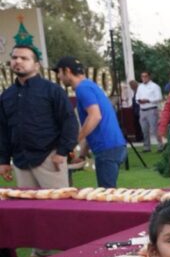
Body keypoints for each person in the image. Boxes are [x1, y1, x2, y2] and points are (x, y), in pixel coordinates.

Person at [0, 45, 78, 191]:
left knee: (57, 208)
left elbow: (69, 122)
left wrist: (62, 152)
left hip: (50, 159)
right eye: (14, 57)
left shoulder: (52, 90)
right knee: (28, 210)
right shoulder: (6, 96)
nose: (18, 61)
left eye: (24, 58)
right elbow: (3, 131)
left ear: (36, 65)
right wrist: (3, 160)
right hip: (21, 162)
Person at [55, 56, 128, 188]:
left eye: (59, 72)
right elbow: (93, 125)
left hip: (107, 149)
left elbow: (95, 117)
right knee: (108, 193)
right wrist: (82, 154)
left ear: (67, 71)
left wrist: (74, 141)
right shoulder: (89, 86)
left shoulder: (83, 88)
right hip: (113, 147)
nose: (59, 76)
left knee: (107, 197)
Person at [136, 70, 164, 152]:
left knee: (154, 129)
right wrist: (139, 100)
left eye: (145, 76)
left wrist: (148, 100)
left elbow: (159, 98)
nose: (143, 78)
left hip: (151, 109)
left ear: (149, 77)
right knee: (144, 129)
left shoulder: (155, 86)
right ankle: (146, 147)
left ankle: (160, 145)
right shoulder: (140, 86)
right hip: (142, 109)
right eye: (142, 76)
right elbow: (137, 97)